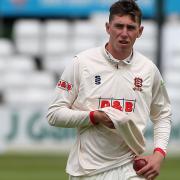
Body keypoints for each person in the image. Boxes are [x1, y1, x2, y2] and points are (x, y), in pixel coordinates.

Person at [47, 0, 172, 179]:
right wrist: (93, 116)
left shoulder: (148, 70)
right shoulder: (82, 63)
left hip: (131, 169)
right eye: (118, 26)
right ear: (108, 27)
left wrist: (159, 154)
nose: (124, 33)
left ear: (140, 31)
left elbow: (162, 115)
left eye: (130, 27)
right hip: (87, 171)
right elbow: (54, 114)